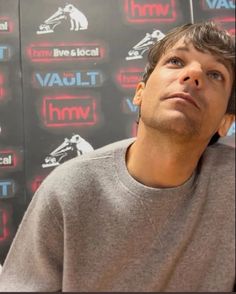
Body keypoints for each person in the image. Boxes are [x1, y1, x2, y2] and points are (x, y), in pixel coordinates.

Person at [0, 21, 235, 292]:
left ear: (226, 122)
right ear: (140, 93)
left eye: (216, 74)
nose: (193, 75)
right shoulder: (70, 189)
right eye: (175, 61)